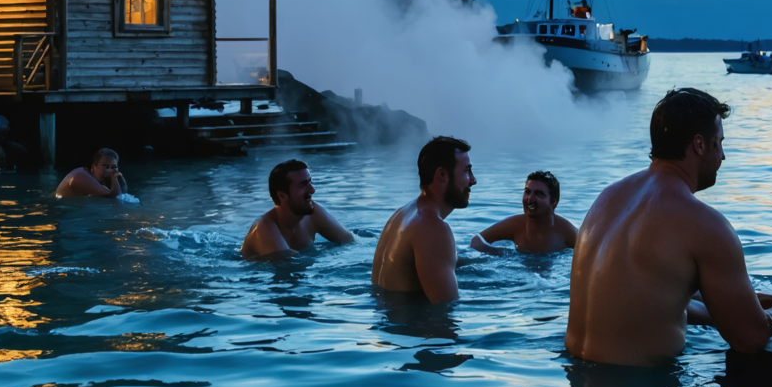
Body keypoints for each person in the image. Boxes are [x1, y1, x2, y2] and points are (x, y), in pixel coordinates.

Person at [566, 88, 772, 367]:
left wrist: (750, 301)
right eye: (720, 143)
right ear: (700, 145)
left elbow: (651, 294)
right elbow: (750, 338)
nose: (723, 156)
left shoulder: (606, 199)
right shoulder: (704, 225)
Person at [371, 136, 475, 304]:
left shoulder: (403, 214)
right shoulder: (432, 227)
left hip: (388, 320)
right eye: (467, 171)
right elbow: (446, 313)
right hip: (412, 328)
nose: (473, 180)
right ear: (442, 174)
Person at [241, 159, 355, 259]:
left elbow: (351, 241)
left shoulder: (313, 213)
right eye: (302, 185)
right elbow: (286, 271)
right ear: (282, 196)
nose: (312, 190)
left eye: (310, 182)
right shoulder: (265, 227)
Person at [471, 171, 577, 255]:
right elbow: (477, 241)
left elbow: (591, 255)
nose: (530, 199)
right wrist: (500, 254)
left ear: (554, 202)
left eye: (539, 194)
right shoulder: (515, 225)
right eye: (527, 192)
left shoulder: (567, 232)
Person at [55, 148, 126, 198]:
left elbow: (122, 192)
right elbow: (114, 197)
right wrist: (114, 178)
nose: (109, 170)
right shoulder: (80, 176)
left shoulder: (98, 180)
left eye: (113, 167)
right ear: (93, 167)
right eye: (105, 166)